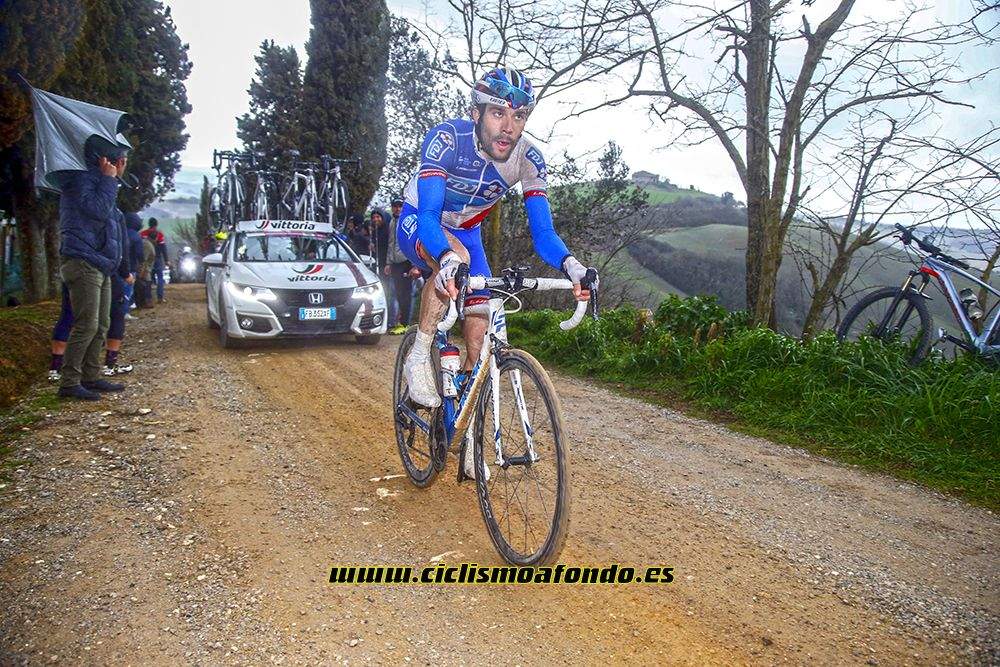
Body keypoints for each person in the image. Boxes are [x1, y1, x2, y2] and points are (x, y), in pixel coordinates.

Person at [398, 66, 596, 413]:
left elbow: (544, 233)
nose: (509, 127)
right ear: (476, 113)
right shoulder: (446, 140)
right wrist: (445, 257)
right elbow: (429, 216)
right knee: (455, 256)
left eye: (519, 115)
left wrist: (573, 267)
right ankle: (418, 355)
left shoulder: (528, 159)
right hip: (422, 222)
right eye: (498, 113)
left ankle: (465, 431)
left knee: (479, 341)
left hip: (468, 234)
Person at [56, 139, 129, 400]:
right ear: (110, 161)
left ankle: (91, 375)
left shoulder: (98, 182)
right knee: (86, 324)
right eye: (121, 161)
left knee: (101, 324)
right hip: (83, 260)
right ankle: (69, 382)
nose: (123, 166)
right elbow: (97, 212)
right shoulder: (81, 181)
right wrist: (109, 180)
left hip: (100, 263)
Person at [384, 197, 419, 334]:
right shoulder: (392, 222)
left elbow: (414, 243)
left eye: (400, 206)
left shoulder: (408, 220)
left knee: (407, 295)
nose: (397, 208)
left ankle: (405, 324)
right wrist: (388, 263)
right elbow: (390, 243)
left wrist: (415, 265)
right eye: (395, 206)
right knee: (397, 294)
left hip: (407, 262)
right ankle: (397, 322)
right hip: (395, 263)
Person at [141, 217, 168, 302]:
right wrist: (166, 259)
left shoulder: (143, 234)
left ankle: (148, 298)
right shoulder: (159, 234)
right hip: (158, 258)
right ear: (156, 224)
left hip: (147, 259)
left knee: (148, 278)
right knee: (160, 278)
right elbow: (163, 248)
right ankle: (160, 297)